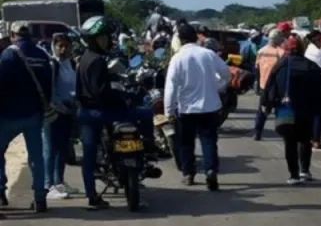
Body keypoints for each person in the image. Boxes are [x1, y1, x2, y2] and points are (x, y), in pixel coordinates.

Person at [76, 16, 158, 209]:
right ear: (93, 39)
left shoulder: (85, 59)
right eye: (102, 37)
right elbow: (101, 92)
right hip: (102, 112)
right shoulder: (97, 61)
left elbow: (83, 89)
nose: (106, 40)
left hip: (87, 113)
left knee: (88, 156)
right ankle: (149, 148)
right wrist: (123, 94)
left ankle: (91, 195)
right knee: (145, 113)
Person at [164, 23, 231, 190]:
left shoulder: (177, 58)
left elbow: (171, 86)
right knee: (209, 141)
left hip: (187, 109)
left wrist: (168, 111)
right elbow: (226, 74)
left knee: (186, 143)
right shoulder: (208, 54)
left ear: (180, 40)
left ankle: (188, 174)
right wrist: (218, 87)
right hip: (210, 107)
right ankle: (210, 172)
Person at [261, 35, 321, 184]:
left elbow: (269, 87)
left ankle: (293, 175)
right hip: (305, 110)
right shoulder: (311, 66)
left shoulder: (280, 65)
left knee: (289, 142)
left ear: (287, 49)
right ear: (302, 48)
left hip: (285, 108)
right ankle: (304, 171)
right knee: (305, 140)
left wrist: (266, 104)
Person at [0, 21, 53, 212]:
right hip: (34, 114)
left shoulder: (8, 54)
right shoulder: (41, 54)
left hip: (8, 115)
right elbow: (48, 84)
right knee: (36, 157)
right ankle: (40, 199)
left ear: (13, 35)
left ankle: (1, 193)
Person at [44, 33, 78, 200]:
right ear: (54, 47)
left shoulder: (71, 64)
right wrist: (58, 105)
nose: (64, 50)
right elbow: (49, 91)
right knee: (51, 148)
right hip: (53, 113)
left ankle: (59, 182)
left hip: (68, 112)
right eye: (60, 46)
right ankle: (48, 184)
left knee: (63, 148)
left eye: (66, 46)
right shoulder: (52, 65)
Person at [253, 30, 285, 141]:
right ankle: (282, 132)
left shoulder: (261, 51)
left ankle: (257, 132)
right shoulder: (281, 52)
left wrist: (257, 83)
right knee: (280, 109)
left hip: (264, 85)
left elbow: (257, 69)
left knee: (262, 110)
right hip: (276, 85)